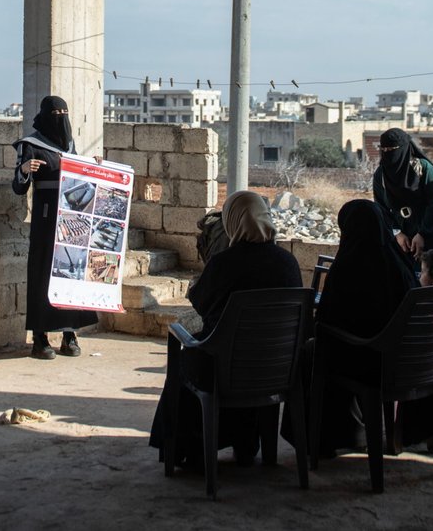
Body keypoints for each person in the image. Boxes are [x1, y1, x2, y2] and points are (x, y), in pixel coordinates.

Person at [150, 191, 301, 468]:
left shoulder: (224, 264)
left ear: (232, 221)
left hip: (224, 372)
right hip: (276, 370)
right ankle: (247, 443)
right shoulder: (288, 262)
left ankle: (188, 448)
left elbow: (201, 304)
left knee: (187, 359)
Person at [285, 200, 417, 456]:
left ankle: (322, 440)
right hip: (405, 361)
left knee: (311, 354)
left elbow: (327, 320)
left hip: (368, 362)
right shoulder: (401, 266)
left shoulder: (349, 266)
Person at [12, 96, 98, 359]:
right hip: (46, 220)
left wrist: (94, 167)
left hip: (70, 222)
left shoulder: (69, 145)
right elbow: (18, 187)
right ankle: (40, 338)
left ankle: (69, 334)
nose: (61, 118)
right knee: (43, 275)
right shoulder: (30, 144)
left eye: (65, 113)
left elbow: (79, 179)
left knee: (70, 272)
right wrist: (24, 169)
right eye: (56, 113)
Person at [372, 128, 433, 258]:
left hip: (429, 239)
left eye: (391, 149)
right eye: (384, 150)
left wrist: (422, 234)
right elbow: (381, 208)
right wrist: (397, 233)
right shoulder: (381, 174)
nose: (387, 153)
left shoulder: (423, 169)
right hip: (399, 242)